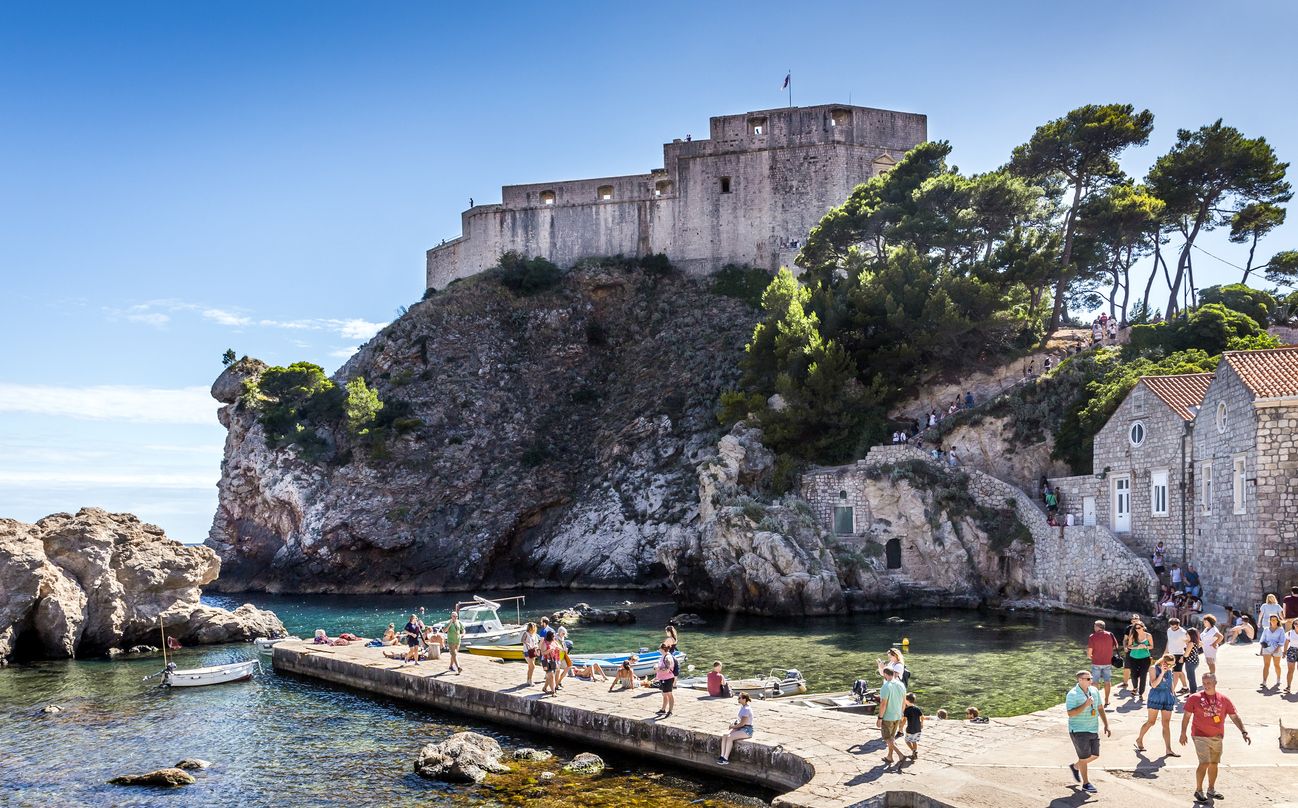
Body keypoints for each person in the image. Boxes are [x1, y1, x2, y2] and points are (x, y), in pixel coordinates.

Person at [1180, 672, 1250, 803]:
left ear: (1215, 683)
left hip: (1217, 736)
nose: (1206, 686)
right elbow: (1187, 716)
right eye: (1204, 683)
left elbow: (1234, 716)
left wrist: (1243, 731)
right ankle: (1198, 790)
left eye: (1209, 683)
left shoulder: (1224, 699)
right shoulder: (1194, 698)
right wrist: (1183, 733)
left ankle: (1211, 789)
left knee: (1214, 764)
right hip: (1199, 735)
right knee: (1204, 762)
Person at [1065, 670, 1110, 794]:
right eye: (1088, 679)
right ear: (1080, 680)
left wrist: (1106, 724)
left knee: (1095, 755)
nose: (1091, 680)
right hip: (1078, 730)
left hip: (1093, 728)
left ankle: (1075, 766)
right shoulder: (1072, 694)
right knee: (1084, 758)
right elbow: (1070, 713)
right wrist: (1085, 704)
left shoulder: (1094, 691)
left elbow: (1100, 708)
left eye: (1091, 678)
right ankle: (1086, 784)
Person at [1135, 655, 1180, 758]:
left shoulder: (1169, 669)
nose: (1170, 667)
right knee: (1151, 722)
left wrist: (1173, 694)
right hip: (1156, 696)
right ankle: (1139, 739)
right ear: (1163, 661)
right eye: (1169, 664)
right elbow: (1154, 684)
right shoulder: (1153, 668)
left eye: (1172, 665)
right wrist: (1163, 673)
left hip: (1167, 696)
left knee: (1166, 723)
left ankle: (1168, 749)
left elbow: (1171, 683)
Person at [876, 667, 906, 765]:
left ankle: (900, 754)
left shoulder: (886, 686)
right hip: (897, 715)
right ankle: (889, 757)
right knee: (891, 738)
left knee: (887, 738)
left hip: (888, 717)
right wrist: (901, 713)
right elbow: (903, 701)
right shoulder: (901, 685)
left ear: (885, 674)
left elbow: (883, 704)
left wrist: (880, 718)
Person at [1086, 620, 1118, 706]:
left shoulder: (1092, 636)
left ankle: (1096, 700)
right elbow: (1116, 646)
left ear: (1098, 627)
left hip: (1096, 662)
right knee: (1107, 681)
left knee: (1095, 682)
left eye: (1095, 626)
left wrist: (1090, 656)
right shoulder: (1110, 635)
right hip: (1107, 662)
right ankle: (1107, 700)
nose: (1094, 627)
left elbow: (1089, 652)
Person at [717, 693, 754, 765]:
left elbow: (742, 723)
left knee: (730, 737)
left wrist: (733, 727)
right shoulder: (743, 707)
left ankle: (725, 758)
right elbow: (740, 721)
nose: (738, 699)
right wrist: (734, 723)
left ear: (744, 699)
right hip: (741, 727)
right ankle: (722, 756)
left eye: (739, 698)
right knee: (725, 735)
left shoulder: (746, 709)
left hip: (746, 730)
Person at [1127, 621, 1153, 701]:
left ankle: (1141, 693)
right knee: (1133, 675)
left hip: (1145, 658)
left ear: (1143, 627)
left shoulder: (1148, 636)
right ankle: (1135, 687)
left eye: (1139, 628)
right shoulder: (1133, 635)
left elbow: (1151, 646)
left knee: (1143, 675)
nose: (1137, 629)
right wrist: (1137, 647)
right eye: (1135, 628)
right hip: (1133, 657)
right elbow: (1129, 646)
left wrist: (1145, 646)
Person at [1259, 614, 1285, 688]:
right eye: (1272, 619)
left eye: (1275, 619)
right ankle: (1264, 682)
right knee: (1266, 665)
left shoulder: (1281, 629)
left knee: (1276, 665)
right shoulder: (1266, 629)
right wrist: (1261, 650)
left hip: (1277, 648)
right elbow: (1262, 640)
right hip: (1266, 648)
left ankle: (1278, 679)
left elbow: (1282, 640)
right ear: (1269, 620)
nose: (1273, 621)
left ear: (1277, 620)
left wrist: (1277, 649)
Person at [1165, 617, 1189, 693]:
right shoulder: (1169, 630)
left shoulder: (1183, 632)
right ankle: (1185, 688)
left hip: (1180, 655)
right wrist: (1165, 652)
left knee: (1176, 673)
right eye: (1171, 626)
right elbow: (1169, 641)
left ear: (1178, 625)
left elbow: (1188, 644)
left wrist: (1184, 656)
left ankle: (1171, 691)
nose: (1173, 628)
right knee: (1179, 671)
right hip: (1171, 654)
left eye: (1175, 626)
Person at [654, 642, 677, 717]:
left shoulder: (667, 657)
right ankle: (663, 709)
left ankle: (670, 711)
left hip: (668, 679)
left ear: (663, 649)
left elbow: (667, 669)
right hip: (663, 678)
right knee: (664, 694)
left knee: (669, 694)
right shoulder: (663, 656)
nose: (659, 650)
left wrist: (658, 669)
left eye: (659, 648)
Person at [902, 693, 925, 760]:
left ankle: (914, 751)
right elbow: (922, 717)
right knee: (914, 741)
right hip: (917, 728)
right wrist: (922, 723)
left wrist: (901, 727)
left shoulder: (907, 710)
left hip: (910, 729)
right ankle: (914, 752)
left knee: (907, 741)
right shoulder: (917, 708)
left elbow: (904, 720)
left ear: (907, 701)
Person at [1183, 627, 1202, 695]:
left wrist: (1181, 658)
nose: (1186, 635)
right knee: (1191, 677)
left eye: (1187, 634)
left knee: (1191, 678)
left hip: (1190, 662)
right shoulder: (1196, 641)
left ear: (1191, 635)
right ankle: (1192, 691)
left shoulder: (1190, 643)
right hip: (1195, 661)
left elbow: (1186, 655)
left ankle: (1193, 693)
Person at [1283, 618, 1298, 694]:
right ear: (1293, 624)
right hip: (1292, 651)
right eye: (1296, 623)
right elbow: (1286, 643)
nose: (1297, 625)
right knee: (1290, 670)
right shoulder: (1289, 633)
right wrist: (1284, 652)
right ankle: (1288, 686)